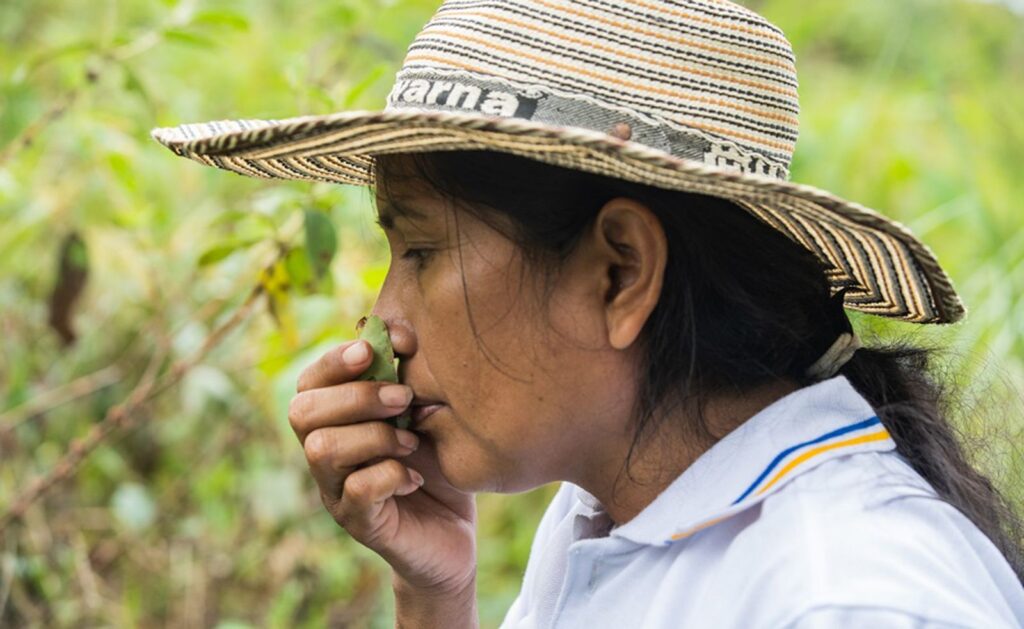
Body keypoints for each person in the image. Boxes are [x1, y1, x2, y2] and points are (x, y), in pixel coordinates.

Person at [152, 1, 1024, 626]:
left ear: (620, 272)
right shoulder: (603, 518)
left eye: (418, 251)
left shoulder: (850, 599)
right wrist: (434, 595)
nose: (381, 320)